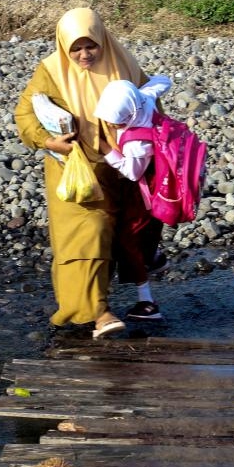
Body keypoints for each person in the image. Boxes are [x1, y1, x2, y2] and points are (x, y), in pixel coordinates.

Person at [13, 7, 152, 338]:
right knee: (87, 232)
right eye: (75, 48)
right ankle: (98, 312)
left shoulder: (125, 64)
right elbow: (24, 114)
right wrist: (49, 141)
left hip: (123, 166)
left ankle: (111, 300)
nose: (84, 55)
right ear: (64, 47)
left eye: (91, 46)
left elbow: (149, 105)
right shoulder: (50, 71)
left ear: (103, 40)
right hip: (73, 167)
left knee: (122, 232)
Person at [94, 76, 173, 321]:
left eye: (117, 122)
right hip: (159, 183)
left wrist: (107, 149)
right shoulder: (144, 100)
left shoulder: (137, 141)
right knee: (144, 232)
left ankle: (147, 302)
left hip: (146, 193)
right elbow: (164, 81)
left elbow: (132, 172)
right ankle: (153, 258)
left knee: (127, 239)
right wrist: (142, 90)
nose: (112, 125)